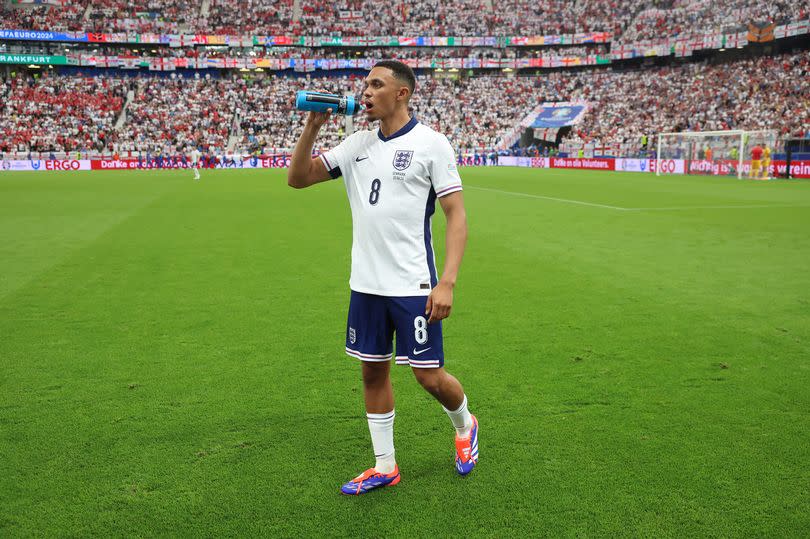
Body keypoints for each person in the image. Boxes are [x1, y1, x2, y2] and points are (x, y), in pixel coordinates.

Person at [287, 60, 477, 496]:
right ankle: (384, 465)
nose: (366, 92)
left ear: (402, 93)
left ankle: (466, 424)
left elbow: (456, 215)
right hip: (365, 286)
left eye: (376, 84)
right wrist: (312, 128)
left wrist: (446, 280)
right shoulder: (357, 143)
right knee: (372, 374)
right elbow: (298, 179)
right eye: (365, 84)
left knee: (428, 377)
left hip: (412, 285)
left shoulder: (432, 144)